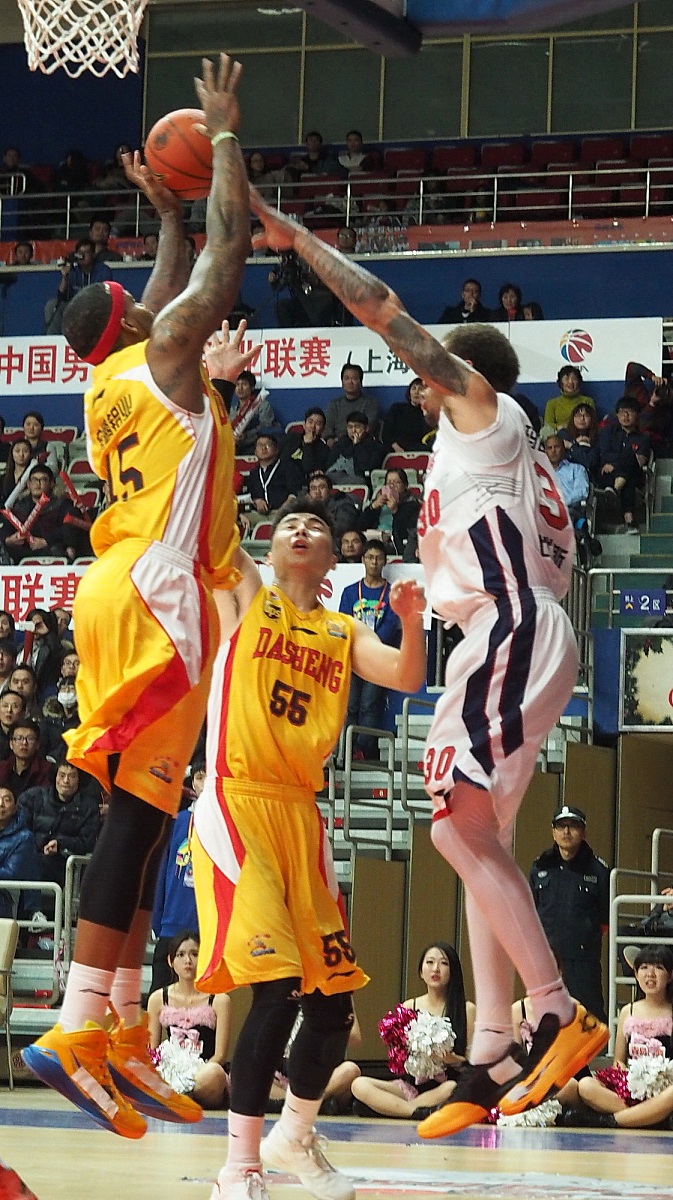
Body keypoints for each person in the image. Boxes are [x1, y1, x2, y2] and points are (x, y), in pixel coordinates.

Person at [248, 190, 610, 1137]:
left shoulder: (482, 415)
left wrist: (297, 240)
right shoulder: (497, 452)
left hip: (509, 628)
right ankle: (491, 1050)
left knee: (452, 824)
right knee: (478, 839)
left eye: (428, 373)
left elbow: (382, 310)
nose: (415, 384)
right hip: (512, 632)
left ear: (461, 376)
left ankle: (554, 1011)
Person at [21, 53, 253, 1141]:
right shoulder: (160, 352)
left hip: (118, 587)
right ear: (136, 318)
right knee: (136, 814)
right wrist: (225, 139)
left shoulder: (109, 377)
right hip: (159, 592)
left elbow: (162, 292)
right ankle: (77, 1022)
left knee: (147, 814)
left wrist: (161, 212)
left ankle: (116, 1024)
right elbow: (226, 256)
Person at [189, 496, 426, 1200]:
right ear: (269, 547)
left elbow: (407, 676)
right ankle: (239, 1168)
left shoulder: (342, 628)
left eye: (316, 526)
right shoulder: (246, 593)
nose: (300, 530)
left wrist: (413, 620)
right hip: (238, 802)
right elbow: (209, 527)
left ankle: (294, 1134)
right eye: (290, 523)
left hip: (301, 814)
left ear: (334, 559)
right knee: (274, 990)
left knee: (331, 1003)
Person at [352, 942, 475, 1118]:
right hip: (411, 1087)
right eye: (430, 962)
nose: (436, 969)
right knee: (359, 1084)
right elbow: (399, 1058)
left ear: (453, 971)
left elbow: (473, 1066)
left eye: (444, 963)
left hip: (445, 1086)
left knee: (452, 1088)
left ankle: (392, 1109)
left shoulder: (466, 1009)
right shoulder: (409, 1007)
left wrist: (450, 1059)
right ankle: (414, 1111)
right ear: (421, 971)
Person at [577, 945, 673, 1129]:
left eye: (659, 967)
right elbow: (619, 1060)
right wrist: (628, 1078)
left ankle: (614, 1120)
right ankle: (649, 1117)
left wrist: (659, 1080)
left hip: (664, 1090)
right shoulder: (628, 1011)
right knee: (586, 1085)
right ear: (636, 974)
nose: (650, 974)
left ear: (670, 976)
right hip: (632, 1088)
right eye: (644, 967)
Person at [530, 805, 609, 1022]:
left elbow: (605, 920)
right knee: (545, 1014)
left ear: (583, 832)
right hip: (547, 958)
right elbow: (532, 911)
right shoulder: (540, 866)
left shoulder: (598, 870)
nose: (566, 832)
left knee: (589, 1015)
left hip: (583, 959)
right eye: (561, 826)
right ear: (553, 832)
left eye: (573, 826)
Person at [147, 931, 230, 1109]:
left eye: (194, 954)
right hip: (170, 1072)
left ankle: (182, 1096)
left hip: (205, 1073)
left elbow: (220, 1055)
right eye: (181, 954)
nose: (188, 961)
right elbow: (152, 1051)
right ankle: (176, 1095)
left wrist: (194, 1074)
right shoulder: (157, 998)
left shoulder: (220, 1000)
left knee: (215, 1074)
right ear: (171, 961)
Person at [339, 539, 401, 760]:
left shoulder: (392, 594)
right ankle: (347, 750)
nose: (374, 562)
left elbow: (392, 625)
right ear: (363, 560)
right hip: (354, 656)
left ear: (385, 561)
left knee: (369, 704)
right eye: (370, 558)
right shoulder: (349, 592)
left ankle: (365, 750)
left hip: (378, 657)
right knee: (351, 704)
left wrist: (371, 645)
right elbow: (344, 622)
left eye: (378, 558)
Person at [20, 762, 101, 894]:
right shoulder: (34, 797)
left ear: (79, 780)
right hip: (31, 856)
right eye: (62, 775)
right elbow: (20, 829)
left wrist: (61, 843)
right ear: (55, 777)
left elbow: (88, 842)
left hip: (65, 863)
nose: (66, 781)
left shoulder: (89, 806)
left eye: (72, 776)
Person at [598, 396, 651, 533]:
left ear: (637, 414)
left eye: (630, 412)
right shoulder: (609, 432)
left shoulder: (643, 438)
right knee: (628, 478)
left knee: (630, 462)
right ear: (616, 414)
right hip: (610, 474)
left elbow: (639, 462)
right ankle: (630, 520)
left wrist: (615, 464)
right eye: (622, 412)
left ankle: (615, 488)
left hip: (634, 474)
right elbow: (604, 455)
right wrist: (624, 461)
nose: (625, 416)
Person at [0, 785, 41, 918]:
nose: (1, 804)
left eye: (7, 800)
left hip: (5, 894)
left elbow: (12, 873)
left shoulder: (24, 837)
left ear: (15, 808)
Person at [246, 434, 303, 528]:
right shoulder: (253, 473)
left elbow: (294, 494)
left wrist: (282, 511)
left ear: (276, 449)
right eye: (260, 445)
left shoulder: (288, 467)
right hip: (259, 514)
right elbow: (250, 496)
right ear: (255, 452)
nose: (264, 448)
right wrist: (256, 501)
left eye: (268, 445)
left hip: (282, 512)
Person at [362, 468, 420, 556]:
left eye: (397, 482)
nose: (392, 486)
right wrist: (373, 507)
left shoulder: (413, 505)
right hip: (375, 538)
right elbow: (361, 525)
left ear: (405, 486)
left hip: (395, 543)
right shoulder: (378, 502)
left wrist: (395, 511)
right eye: (388, 482)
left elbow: (406, 532)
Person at [324, 363, 380, 444]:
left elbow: (369, 426)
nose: (350, 382)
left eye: (354, 378)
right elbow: (327, 427)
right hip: (338, 444)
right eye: (347, 378)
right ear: (342, 382)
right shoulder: (334, 404)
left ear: (360, 382)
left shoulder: (370, 403)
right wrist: (330, 440)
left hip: (362, 443)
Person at [326, 411, 384, 486]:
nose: (353, 431)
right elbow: (329, 463)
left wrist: (357, 445)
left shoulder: (376, 446)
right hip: (333, 475)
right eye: (350, 427)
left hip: (357, 479)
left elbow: (365, 467)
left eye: (357, 427)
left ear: (366, 428)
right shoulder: (342, 442)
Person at [0, 719, 53, 797]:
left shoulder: (47, 770)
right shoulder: (2, 768)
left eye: (30, 738)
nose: (24, 743)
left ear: (37, 744)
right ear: (11, 744)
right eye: (19, 738)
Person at [306, 471, 361, 542]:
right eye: (313, 488)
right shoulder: (307, 507)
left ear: (330, 490)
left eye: (322, 487)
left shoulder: (343, 503)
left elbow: (342, 528)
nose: (317, 492)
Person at [382, 377, 430, 452]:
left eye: (420, 389)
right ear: (409, 392)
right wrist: (395, 447)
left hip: (422, 451)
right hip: (396, 449)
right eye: (414, 388)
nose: (416, 392)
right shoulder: (397, 409)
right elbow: (386, 433)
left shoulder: (430, 414)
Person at [543, 367, 595, 434]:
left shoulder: (587, 401)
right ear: (561, 382)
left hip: (581, 434)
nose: (570, 382)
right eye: (566, 379)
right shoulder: (552, 403)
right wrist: (560, 427)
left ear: (578, 382)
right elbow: (548, 425)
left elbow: (593, 423)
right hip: (559, 435)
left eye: (574, 379)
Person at [281, 407, 329, 479]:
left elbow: (308, 469)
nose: (313, 426)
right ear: (304, 425)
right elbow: (281, 459)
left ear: (323, 429)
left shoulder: (324, 450)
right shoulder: (291, 438)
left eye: (318, 424)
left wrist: (308, 445)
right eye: (310, 422)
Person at [1, 438, 33, 502]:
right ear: (12, 453)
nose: (21, 454)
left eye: (25, 451)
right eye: (17, 451)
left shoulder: (33, 476)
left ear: (30, 454)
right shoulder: (3, 478)